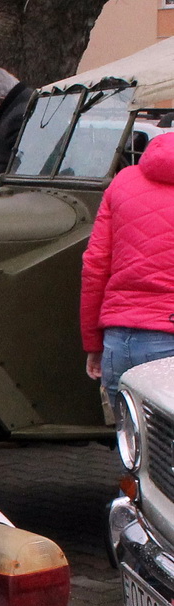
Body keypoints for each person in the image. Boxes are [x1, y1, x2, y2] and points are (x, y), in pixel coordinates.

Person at [81, 131, 174, 403]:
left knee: (133, 443)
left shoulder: (123, 181)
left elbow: (94, 266)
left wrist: (93, 344)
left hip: (117, 342)